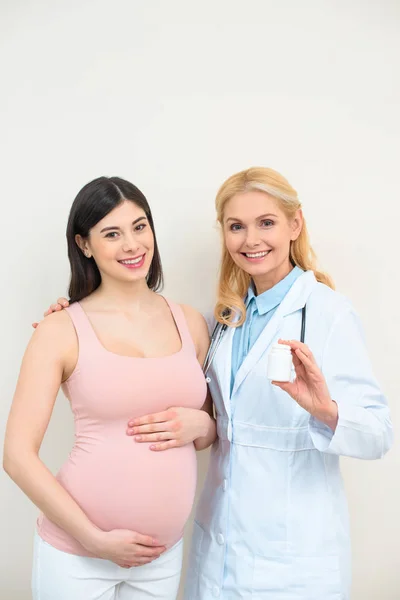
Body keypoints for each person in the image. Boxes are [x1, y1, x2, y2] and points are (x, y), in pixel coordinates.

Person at [37, 167, 393, 599]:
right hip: (219, 542)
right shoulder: (224, 319)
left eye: (267, 223)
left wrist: (324, 410)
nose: (251, 240)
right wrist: (69, 316)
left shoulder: (327, 313)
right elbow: (203, 410)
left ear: (294, 225)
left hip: (293, 551)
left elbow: (376, 435)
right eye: (236, 226)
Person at [3, 176, 214, 600]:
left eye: (140, 227)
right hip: (77, 557)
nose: (132, 245)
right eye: (112, 234)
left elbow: (209, 432)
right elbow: (16, 457)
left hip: (161, 558)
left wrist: (201, 424)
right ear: (84, 245)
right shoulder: (59, 329)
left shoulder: (191, 322)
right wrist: (93, 539)